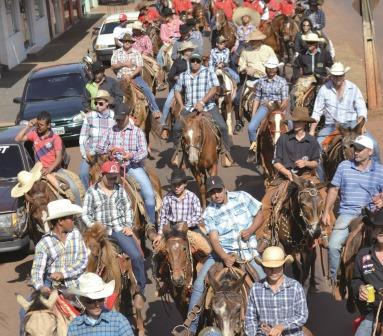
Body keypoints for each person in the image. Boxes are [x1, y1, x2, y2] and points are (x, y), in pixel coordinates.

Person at [187, 176, 266, 335]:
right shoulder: (209, 212)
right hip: (222, 254)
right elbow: (214, 239)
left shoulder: (242, 196)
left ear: (224, 188)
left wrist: (250, 230)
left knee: (266, 283)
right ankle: (190, 327)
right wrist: (224, 257)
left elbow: (260, 214)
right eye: (212, 193)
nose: (216, 195)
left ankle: (269, 323)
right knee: (199, 284)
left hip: (248, 253)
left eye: (218, 190)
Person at [82, 160, 147, 308]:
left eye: (115, 177)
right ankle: (84, 289)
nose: (113, 180)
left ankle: (140, 289)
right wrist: (95, 226)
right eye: (110, 177)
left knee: (136, 255)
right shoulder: (92, 192)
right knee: (87, 255)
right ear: (102, 175)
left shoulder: (120, 190)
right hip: (100, 232)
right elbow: (85, 214)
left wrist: (129, 226)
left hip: (118, 230)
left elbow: (127, 210)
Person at [322, 135, 383, 291]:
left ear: (370, 151)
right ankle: (337, 278)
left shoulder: (380, 170)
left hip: (374, 215)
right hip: (348, 213)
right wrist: (326, 212)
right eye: (355, 148)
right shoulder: (344, 166)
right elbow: (334, 189)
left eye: (360, 149)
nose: (356, 152)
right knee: (334, 245)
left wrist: (381, 200)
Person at [259, 107, 321, 251]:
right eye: (295, 121)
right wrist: (286, 172)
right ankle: (266, 234)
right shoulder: (283, 138)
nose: (297, 124)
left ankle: (325, 231)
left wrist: (306, 163)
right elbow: (275, 162)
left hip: (306, 176)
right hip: (285, 176)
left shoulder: (311, 141)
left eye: (300, 121)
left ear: (305, 123)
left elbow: (316, 162)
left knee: (322, 195)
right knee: (266, 202)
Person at [310, 62, 380, 165]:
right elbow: (317, 112)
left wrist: (361, 122)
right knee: (318, 148)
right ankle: (321, 178)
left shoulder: (353, 88)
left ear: (344, 75)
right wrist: (312, 130)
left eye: (340, 76)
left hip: (352, 126)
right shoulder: (324, 89)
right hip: (332, 127)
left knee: (374, 144)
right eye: (335, 76)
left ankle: (378, 174)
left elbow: (361, 108)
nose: (338, 78)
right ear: (331, 76)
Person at [99, 103, 157, 226]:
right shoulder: (110, 131)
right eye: (117, 119)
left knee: (149, 194)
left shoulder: (137, 132)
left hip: (132, 167)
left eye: (121, 119)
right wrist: (109, 150)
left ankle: (151, 224)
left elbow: (143, 152)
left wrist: (131, 156)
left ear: (127, 116)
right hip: (112, 167)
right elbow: (99, 147)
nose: (119, 121)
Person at [173, 51, 233, 166]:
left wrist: (202, 102)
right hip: (190, 108)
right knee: (176, 128)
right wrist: (181, 105)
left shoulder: (209, 72)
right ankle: (178, 152)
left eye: (197, 61)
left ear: (201, 62)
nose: (195, 63)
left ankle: (226, 152)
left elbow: (214, 89)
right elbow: (177, 90)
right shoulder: (183, 75)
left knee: (223, 127)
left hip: (208, 106)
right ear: (189, 62)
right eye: (193, 61)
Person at [245, 246, 309, 335]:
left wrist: (282, 326)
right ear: (263, 268)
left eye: (277, 267)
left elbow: (302, 316)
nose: (273, 271)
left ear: (283, 266)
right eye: (269, 267)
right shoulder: (256, 288)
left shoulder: (295, 287)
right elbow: (250, 318)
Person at [30, 199, 87, 292]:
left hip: (77, 283)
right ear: (60, 221)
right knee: (27, 306)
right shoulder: (44, 244)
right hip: (54, 287)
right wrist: (40, 287)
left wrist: (63, 274)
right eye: (71, 218)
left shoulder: (76, 234)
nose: (74, 221)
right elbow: (37, 270)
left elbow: (83, 260)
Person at [247, 56, 289, 163]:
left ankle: (291, 149)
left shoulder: (282, 81)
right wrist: (253, 114)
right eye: (269, 68)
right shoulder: (261, 81)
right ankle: (253, 149)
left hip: (278, 108)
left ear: (276, 69)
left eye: (273, 68)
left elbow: (285, 99)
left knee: (292, 126)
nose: (271, 70)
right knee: (251, 128)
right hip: (264, 107)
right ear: (266, 69)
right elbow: (257, 98)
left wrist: (280, 110)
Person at [111, 32, 162, 119]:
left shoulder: (136, 53)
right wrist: (124, 64)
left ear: (131, 43)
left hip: (135, 77)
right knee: (113, 94)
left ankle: (155, 110)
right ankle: (112, 114)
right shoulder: (116, 52)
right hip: (121, 78)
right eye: (125, 41)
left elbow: (139, 67)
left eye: (129, 41)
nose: (127, 43)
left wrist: (131, 75)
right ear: (122, 42)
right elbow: (113, 65)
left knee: (147, 90)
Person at [15, 111, 67, 193]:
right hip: (38, 170)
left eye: (41, 125)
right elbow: (18, 139)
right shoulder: (34, 134)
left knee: (71, 190)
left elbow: (59, 157)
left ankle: (60, 187)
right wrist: (28, 126)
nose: (39, 127)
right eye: (38, 124)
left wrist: (50, 169)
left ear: (48, 125)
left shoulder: (55, 138)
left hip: (54, 170)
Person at [67, 273, 134, 335]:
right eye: (91, 301)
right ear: (82, 301)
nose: (97, 305)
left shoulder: (119, 320)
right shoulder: (74, 326)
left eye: (100, 299)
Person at [352, 210, 383, 336]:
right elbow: (356, 279)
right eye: (378, 227)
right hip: (374, 313)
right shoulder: (363, 255)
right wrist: (359, 288)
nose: (381, 231)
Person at [154, 168, 202, 245]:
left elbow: (198, 216)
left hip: (191, 228)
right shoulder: (167, 198)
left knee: (205, 247)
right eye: (174, 185)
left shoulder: (192, 197)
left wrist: (185, 225)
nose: (176, 187)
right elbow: (163, 218)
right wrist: (159, 234)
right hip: (173, 229)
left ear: (185, 184)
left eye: (179, 184)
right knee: (159, 251)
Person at [79, 90, 116, 189]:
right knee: (83, 173)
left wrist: (112, 151)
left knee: (119, 173)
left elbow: (117, 137)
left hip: (108, 155)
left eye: (100, 103)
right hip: (91, 155)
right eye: (96, 103)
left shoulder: (114, 117)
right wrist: (85, 154)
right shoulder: (90, 117)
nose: (97, 106)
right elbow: (83, 137)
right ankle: (88, 195)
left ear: (107, 103)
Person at [160, 41, 196, 136]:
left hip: (193, 86)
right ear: (184, 51)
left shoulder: (195, 60)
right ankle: (164, 125)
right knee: (167, 103)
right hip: (179, 86)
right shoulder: (177, 62)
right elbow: (170, 75)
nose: (190, 51)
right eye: (188, 50)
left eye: (191, 50)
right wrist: (178, 77)